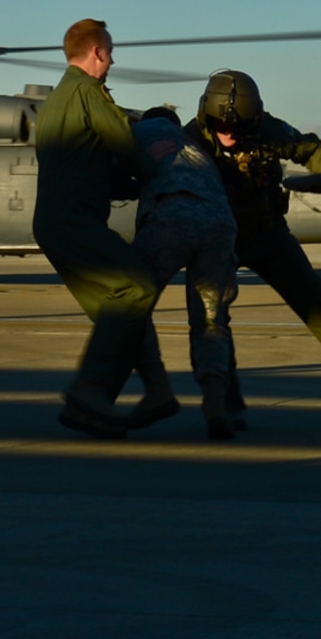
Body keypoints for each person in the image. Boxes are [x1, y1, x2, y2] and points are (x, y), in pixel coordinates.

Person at [186, 69, 321, 424]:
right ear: (204, 113)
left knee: (320, 305)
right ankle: (222, 402)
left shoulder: (268, 129)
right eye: (218, 123)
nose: (227, 132)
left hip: (266, 233)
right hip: (213, 240)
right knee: (210, 322)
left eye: (237, 125)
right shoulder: (188, 141)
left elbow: (310, 151)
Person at [33, 19, 177, 439]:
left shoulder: (58, 101)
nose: (112, 60)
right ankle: (90, 392)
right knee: (136, 289)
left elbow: (84, 164)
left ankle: (152, 392)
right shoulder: (87, 92)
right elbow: (125, 144)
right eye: (110, 51)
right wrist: (155, 170)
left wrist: (125, 185)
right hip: (74, 221)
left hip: (57, 223)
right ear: (97, 52)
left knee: (121, 310)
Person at [128, 105, 241, 440]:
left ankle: (155, 387)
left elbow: (120, 173)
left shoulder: (141, 133)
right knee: (211, 319)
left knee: (128, 302)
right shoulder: (195, 147)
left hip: (172, 217)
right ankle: (215, 404)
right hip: (221, 224)